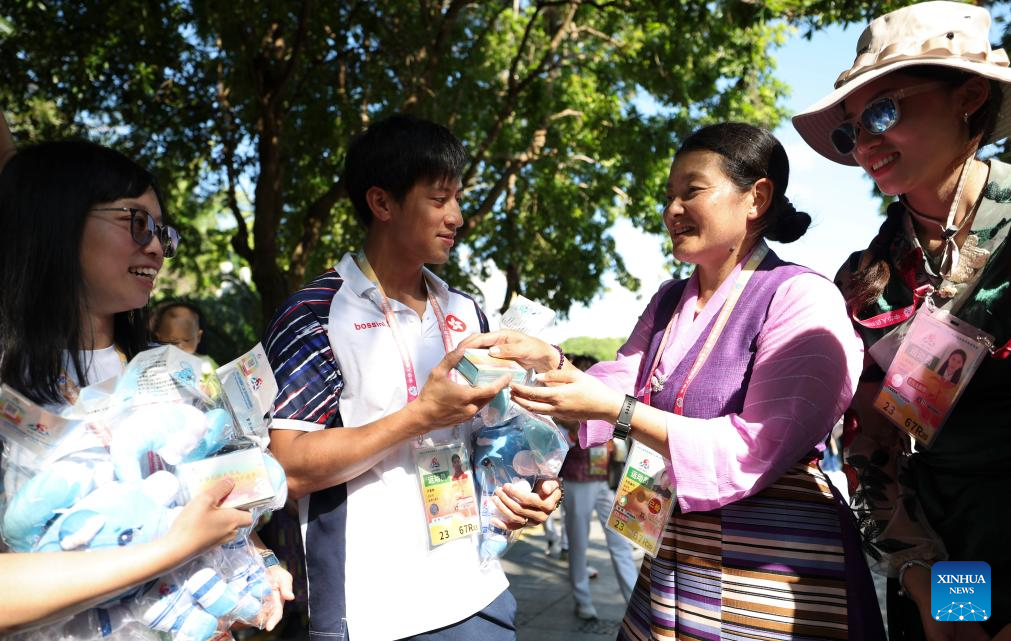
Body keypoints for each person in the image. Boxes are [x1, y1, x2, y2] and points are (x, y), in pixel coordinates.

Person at [465, 122, 885, 640]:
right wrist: (547, 363)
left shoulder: (800, 297)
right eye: (668, 197)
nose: (672, 210)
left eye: (692, 191)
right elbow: (617, 379)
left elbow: (760, 443)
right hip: (674, 562)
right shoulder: (667, 300)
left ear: (756, 197)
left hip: (772, 566)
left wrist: (618, 412)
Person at [263, 114, 561, 641]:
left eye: (459, 199)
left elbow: (497, 435)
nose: (458, 217)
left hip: (479, 593)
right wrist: (420, 416)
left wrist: (526, 486)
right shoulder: (313, 314)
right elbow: (287, 469)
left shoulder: (468, 313)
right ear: (382, 203)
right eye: (439, 199)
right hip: (372, 611)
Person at [793, 2, 1011, 638]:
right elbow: (873, 449)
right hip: (945, 559)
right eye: (849, 131)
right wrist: (942, 605)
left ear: (968, 96)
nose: (864, 143)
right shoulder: (867, 279)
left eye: (883, 111)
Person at [0, 139, 280, 631]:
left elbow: (206, 495)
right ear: (56, 218)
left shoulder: (169, 372)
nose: (155, 247)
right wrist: (171, 547)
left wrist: (258, 559)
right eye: (137, 222)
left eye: (162, 233)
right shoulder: (10, 385)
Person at [556, 354, 638, 621]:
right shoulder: (563, 400)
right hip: (578, 477)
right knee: (578, 542)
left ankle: (635, 602)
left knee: (621, 542)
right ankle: (582, 598)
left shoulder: (601, 393)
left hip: (605, 476)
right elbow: (565, 423)